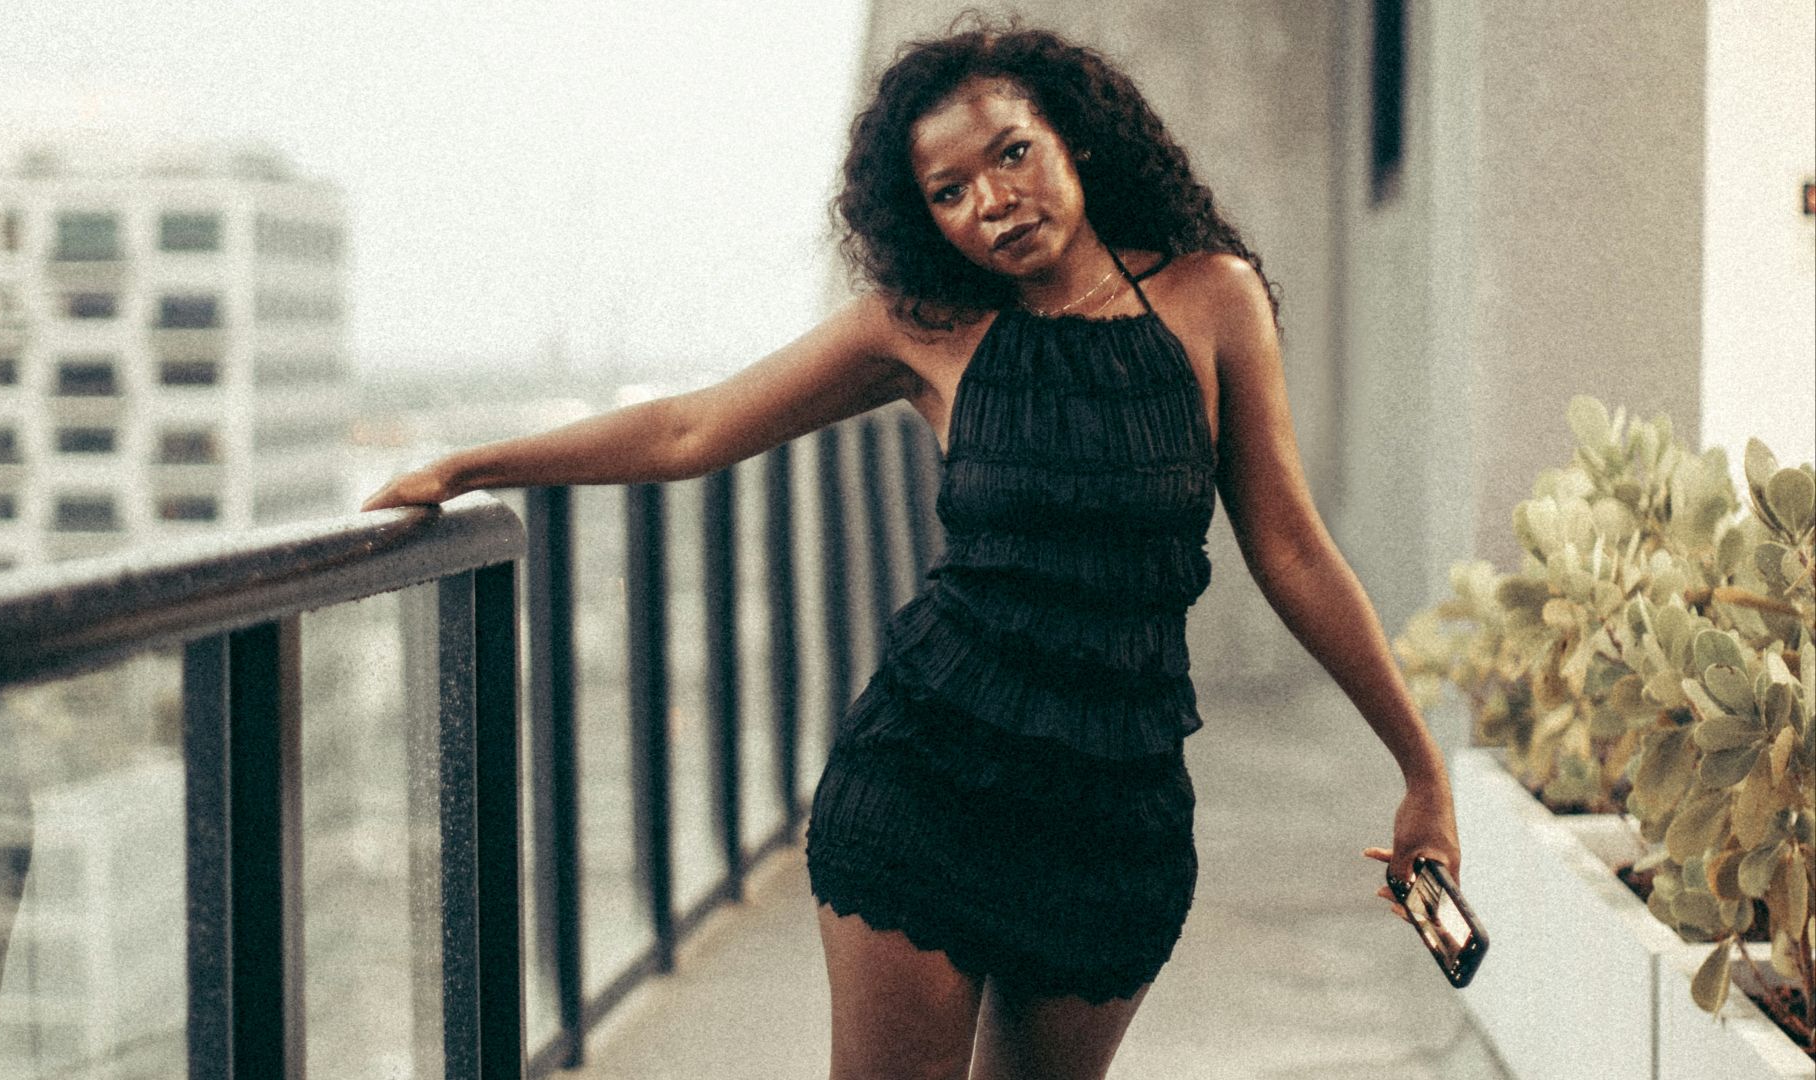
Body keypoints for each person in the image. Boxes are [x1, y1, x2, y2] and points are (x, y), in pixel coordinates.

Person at [361, 17, 1463, 1080]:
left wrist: (1420, 771)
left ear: (1073, 138)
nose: (994, 200)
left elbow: (1294, 553)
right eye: (950, 191)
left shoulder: (1210, 299)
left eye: (1012, 153)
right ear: (924, 216)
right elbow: (694, 427)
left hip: (1115, 806)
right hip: (930, 774)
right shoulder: (924, 328)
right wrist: (474, 465)